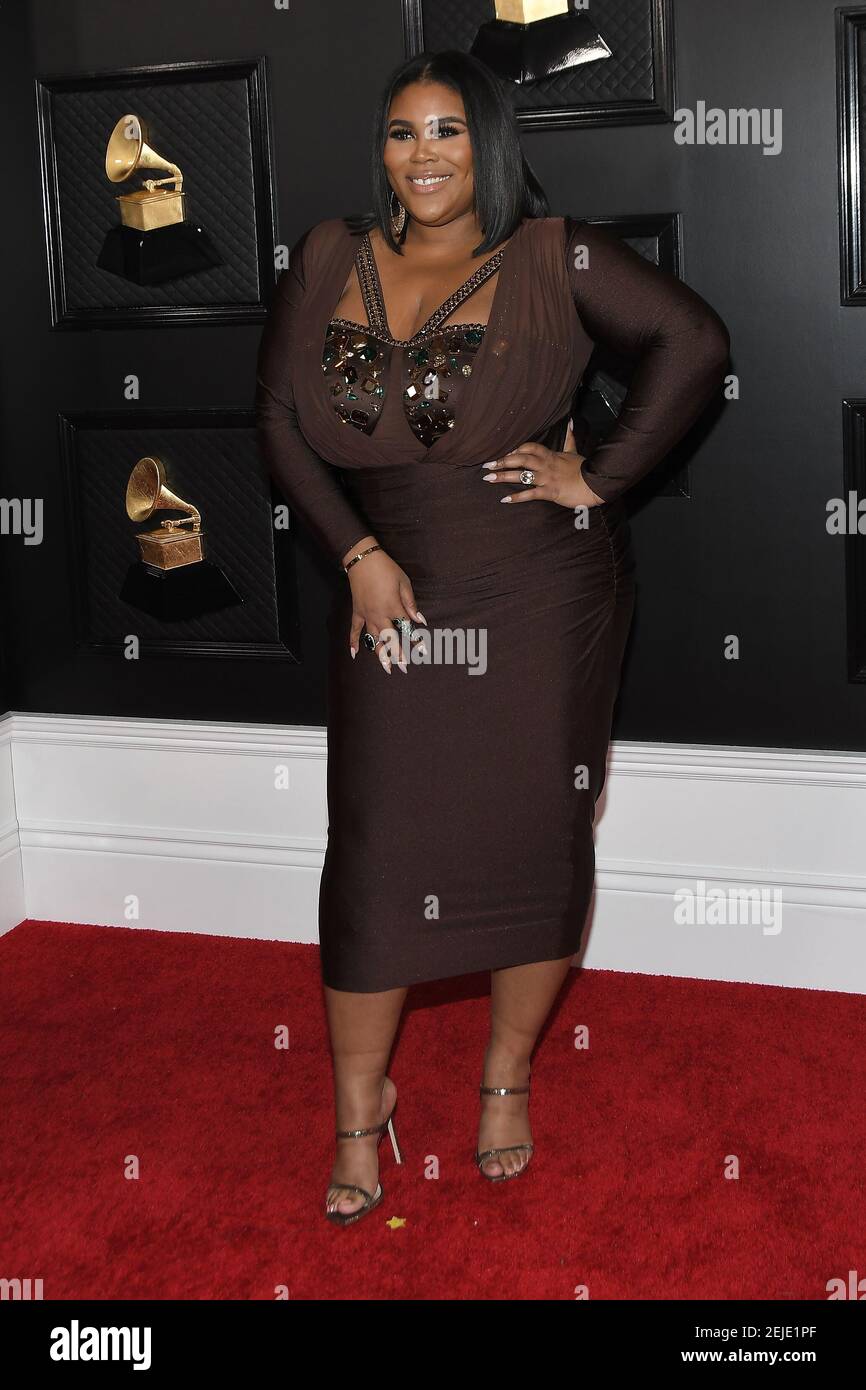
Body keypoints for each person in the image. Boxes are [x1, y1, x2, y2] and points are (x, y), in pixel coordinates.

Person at [255, 49, 730, 1226]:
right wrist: (356, 554)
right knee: (375, 849)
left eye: (448, 132)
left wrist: (598, 477)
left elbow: (693, 342)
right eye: (401, 132)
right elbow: (278, 419)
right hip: (390, 590)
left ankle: (504, 1078)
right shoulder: (327, 255)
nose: (421, 155)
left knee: (532, 834)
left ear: (489, 144)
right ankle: (358, 1108)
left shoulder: (551, 255)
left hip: (537, 595)